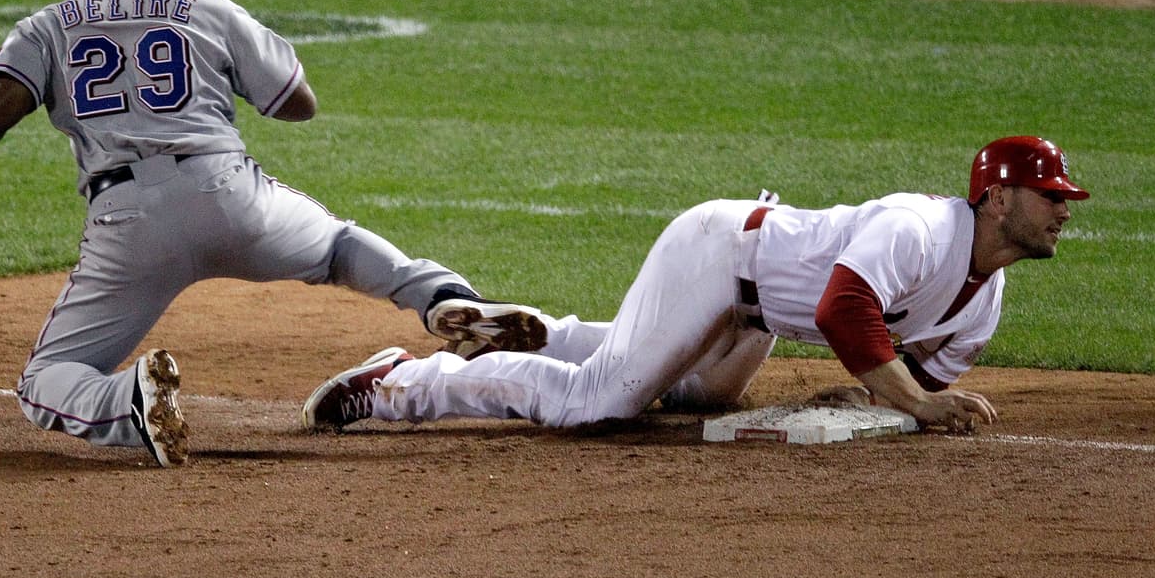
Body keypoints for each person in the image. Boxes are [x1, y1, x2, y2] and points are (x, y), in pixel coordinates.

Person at [0, 0, 544, 467]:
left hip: (127, 219)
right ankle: (441, 301)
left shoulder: (48, 24)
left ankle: (127, 404)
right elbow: (299, 102)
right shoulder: (207, 7)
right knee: (335, 246)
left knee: (47, 377)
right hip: (230, 195)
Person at [303, 136, 1089, 433]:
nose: (1062, 208)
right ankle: (407, 382)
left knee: (695, 398)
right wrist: (916, 402)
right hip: (719, 254)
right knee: (598, 403)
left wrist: (891, 400)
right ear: (998, 197)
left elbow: (902, 384)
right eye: (1050, 194)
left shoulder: (984, 300)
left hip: (754, 312)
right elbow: (844, 312)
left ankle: (547, 330)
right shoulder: (920, 228)